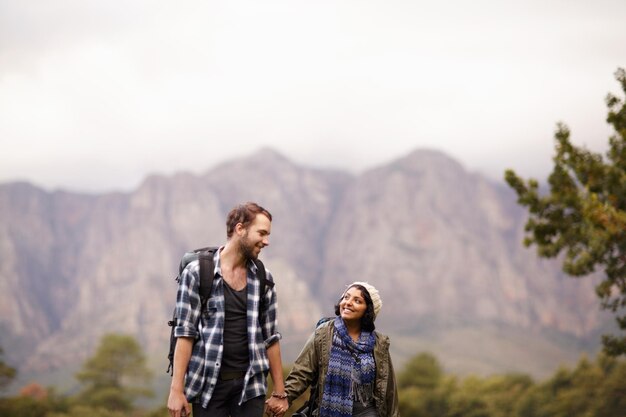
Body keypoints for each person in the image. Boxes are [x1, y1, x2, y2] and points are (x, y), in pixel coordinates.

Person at [167, 202, 289, 417]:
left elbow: (270, 337)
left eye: (268, 234)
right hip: (207, 386)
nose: (266, 241)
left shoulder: (264, 278)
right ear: (240, 229)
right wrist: (176, 390)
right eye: (261, 233)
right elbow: (185, 333)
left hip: (250, 387)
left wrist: (280, 391)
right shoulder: (197, 273)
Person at [281, 282, 399, 417]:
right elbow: (302, 372)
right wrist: (284, 397)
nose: (348, 303)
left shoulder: (379, 343)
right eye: (346, 297)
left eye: (357, 301)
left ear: (369, 309)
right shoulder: (323, 333)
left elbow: (389, 390)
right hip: (328, 410)